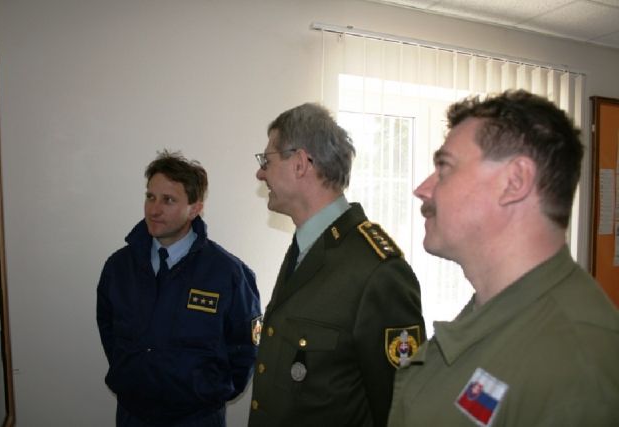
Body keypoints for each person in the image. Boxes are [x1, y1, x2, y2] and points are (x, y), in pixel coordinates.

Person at [388, 90, 619, 426]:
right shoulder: (497, 315)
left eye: (444, 167)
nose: (423, 189)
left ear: (514, 182)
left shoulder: (577, 365)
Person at [248, 103, 426, 427]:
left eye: (267, 161)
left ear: (300, 163)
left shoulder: (377, 271)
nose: (261, 173)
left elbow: (400, 410)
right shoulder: (306, 247)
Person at [97, 151, 261, 427]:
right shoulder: (119, 268)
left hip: (197, 418)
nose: (154, 209)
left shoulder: (228, 274)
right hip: (132, 415)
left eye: (168, 200)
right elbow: (109, 331)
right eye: (150, 197)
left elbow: (244, 349)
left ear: (195, 208)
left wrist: (208, 392)